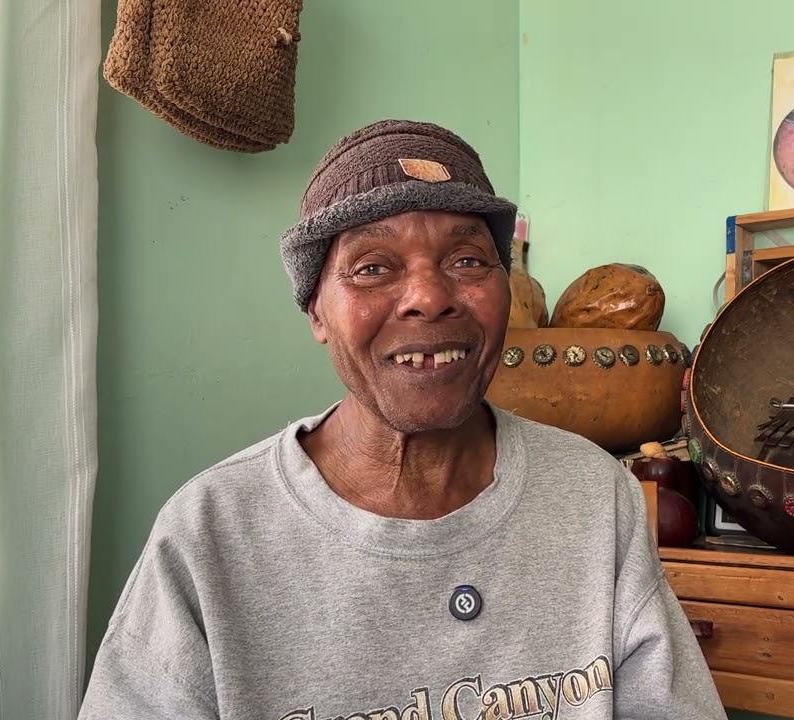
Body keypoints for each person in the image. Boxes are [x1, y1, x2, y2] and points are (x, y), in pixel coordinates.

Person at [79, 119, 727, 719]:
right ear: (316, 312)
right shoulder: (210, 535)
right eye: (373, 268)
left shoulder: (593, 494)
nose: (428, 297)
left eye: (468, 260)